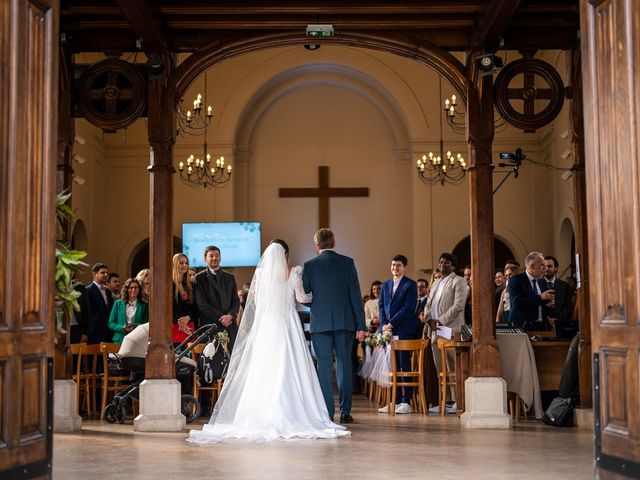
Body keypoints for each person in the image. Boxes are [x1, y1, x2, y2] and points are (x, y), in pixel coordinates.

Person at [187, 240, 349, 443]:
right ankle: (295, 411)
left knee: (264, 368)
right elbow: (302, 297)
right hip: (288, 324)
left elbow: (257, 302)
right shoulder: (294, 272)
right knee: (291, 365)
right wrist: (319, 296)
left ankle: (260, 412)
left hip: (267, 325)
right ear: (285, 254)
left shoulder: (262, 274)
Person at [302, 228, 367, 424]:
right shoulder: (347, 263)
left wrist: (317, 305)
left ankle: (327, 413)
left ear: (317, 246)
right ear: (334, 243)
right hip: (345, 323)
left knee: (323, 368)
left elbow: (305, 295)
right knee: (344, 366)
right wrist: (360, 325)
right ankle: (346, 412)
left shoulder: (309, 265)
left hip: (320, 324)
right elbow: (355, 296)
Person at [423, 253, 468, 413]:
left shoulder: (459, 281)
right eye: (440, 261)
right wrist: (429, 320)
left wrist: (440, 320)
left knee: (452, 365)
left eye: (446, 262)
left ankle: (457, 400)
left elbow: (458, 306)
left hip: (451, 329)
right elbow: (428, 304)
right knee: (439, 367)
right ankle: (446, 400)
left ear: (453, 266)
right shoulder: (436, 283)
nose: (442, 264)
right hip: (435, 331)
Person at [377, 254, 419, 414]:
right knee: (391, 365)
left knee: (404, 364)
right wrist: (383, 326)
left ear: (404, 267)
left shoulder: (410, 284)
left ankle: (406, 401)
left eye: (399, 265)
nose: (395, 267)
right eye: (393, 264)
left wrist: (391, 323)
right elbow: (381, 305)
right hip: (388, 331)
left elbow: (408, 308)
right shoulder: (385, 285)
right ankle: (394, 400)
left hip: (403, 330)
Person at [193, 246, 240, 345]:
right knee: (211, 358)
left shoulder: (230, 277)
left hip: (229, 325)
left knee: (232, 358)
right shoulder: (199, 278)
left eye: (217, 255)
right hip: (211, 324)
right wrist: (221, 317)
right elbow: (201, 303)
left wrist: (230, 315)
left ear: (220, 258)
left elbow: (235, 300)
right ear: (205, 259)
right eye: (211, 256)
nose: (214, 258)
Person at [508, 252, 555, 331]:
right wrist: (541, 297)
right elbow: (517, 303)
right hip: (522, 328)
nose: (545, 268)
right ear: (533, 266)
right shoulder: (516, 280)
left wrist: (548, 304)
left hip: (541, 327)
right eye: (542, 265)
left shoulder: (542, 281)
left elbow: (539, 303)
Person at [107, 278, 149, 344]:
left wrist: (134, 326)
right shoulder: (118, 303)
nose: (133, 290)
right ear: (126, 289)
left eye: (136, 287)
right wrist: (122, 328)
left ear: (139, 290)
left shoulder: (145, 305)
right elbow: (111, 323)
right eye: (131, 287)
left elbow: (147, 324)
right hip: (119, 340)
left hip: (137, 340)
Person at [86, 262, 115, 344]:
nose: (106, 274)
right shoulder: (88, 290)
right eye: (102, 272)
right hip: (94, 334)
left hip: (108, 334)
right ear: (94, 274)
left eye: (107, 273)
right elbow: (86, 314)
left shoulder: (108, 292)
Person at [172, 253, 197, 346]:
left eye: (186, 263)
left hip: (189, 327)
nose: (184, 265)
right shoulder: (169, 284)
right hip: (174, 327)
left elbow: (194, 307)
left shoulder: (190, 285)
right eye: (181, 263)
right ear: (175, 264)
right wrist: (180, 322)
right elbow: (167, 308)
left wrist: (188, 317)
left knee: (190, 359)